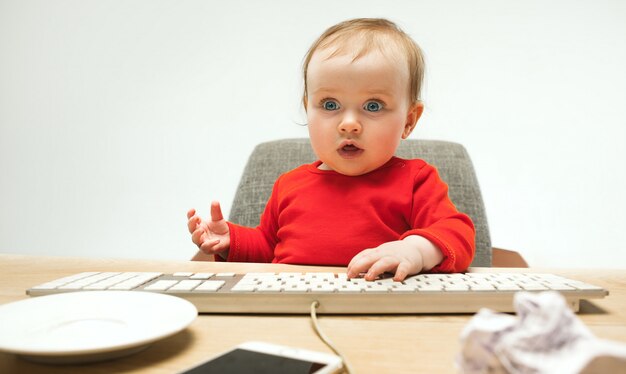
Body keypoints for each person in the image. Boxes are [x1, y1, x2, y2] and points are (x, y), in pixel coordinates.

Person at [187, 18, 475, 281]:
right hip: (292, 307)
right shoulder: (289, 185)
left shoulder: (416, 181)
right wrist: (230, 241)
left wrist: (413, 251)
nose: (349, 124)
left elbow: (458, 235)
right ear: (307, 109)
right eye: (330, 105)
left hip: (379, 309)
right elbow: (267, 248)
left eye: (373, 106)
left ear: (409, 120)